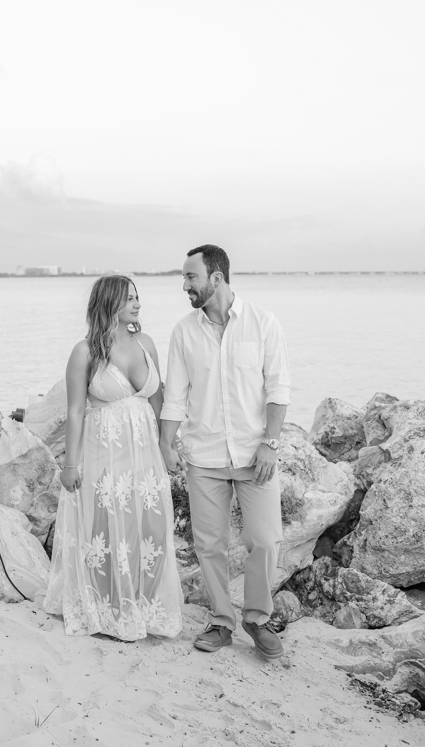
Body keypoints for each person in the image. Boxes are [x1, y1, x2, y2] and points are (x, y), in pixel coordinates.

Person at [159, 244, 290, 660]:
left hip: (255, 457)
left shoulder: (263, 323)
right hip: (204, 456)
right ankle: (221, 621)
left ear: (216, 278)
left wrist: (270, 443)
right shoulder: (183, 332)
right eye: (184, 277)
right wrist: (166, 443)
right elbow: (175, 396)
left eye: (190, 277)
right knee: (209, 545)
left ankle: (257, 618)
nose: (185, 285)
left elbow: (278, 389)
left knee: (265, 540)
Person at [43, 275, 182, 641]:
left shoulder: (145, 343)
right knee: (106, 532)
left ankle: (143, 604)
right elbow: (75, 411)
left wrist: (168, 445)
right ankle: (110, 608)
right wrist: (69, 465)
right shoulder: (85, 352)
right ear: (110, 303)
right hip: (105, 452)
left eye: (137, 297)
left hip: (145, 454)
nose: (137, 304)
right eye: (129, 298)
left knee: (151, 530)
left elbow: (158, 399)